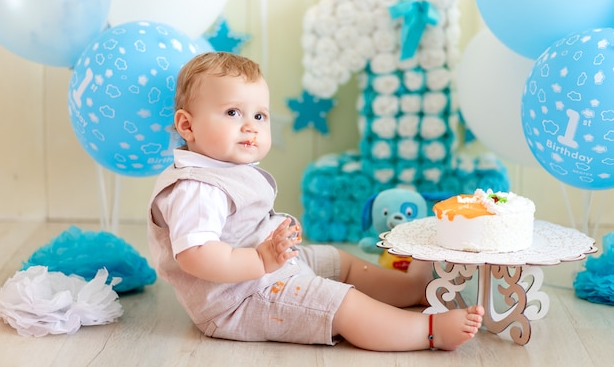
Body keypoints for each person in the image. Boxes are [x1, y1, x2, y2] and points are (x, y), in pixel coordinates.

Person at [147, 52, 484, 351]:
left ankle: (411, 288)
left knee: (339, 261)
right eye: (233, 112)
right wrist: (261, 260)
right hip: (238, 300)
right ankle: (428, 331)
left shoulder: (226, 169)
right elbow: (196, 255)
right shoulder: (196, 188)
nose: (250, 126)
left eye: (260, 116)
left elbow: (244, 223)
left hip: (266, 272)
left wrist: (276, 234)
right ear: (187, 125)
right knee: (339, 303)